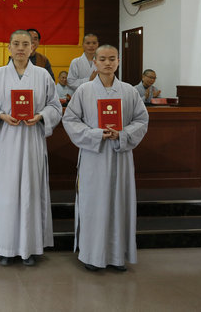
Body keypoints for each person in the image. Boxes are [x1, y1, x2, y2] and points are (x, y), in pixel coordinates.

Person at [62, 45, 149, 272]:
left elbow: (141, 120)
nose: (107, 63)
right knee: (94, 204)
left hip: (121, 155)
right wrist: (95, 134)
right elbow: (70, 120)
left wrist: (123, 134)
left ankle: (117, 256)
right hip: (94, 155)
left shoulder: (129, 91)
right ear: (95, 63)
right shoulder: (84, 91)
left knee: (119, 202)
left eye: (112, 59)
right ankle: (92, 255)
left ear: (118, 61)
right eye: (102, 59)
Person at [0, 30, 62, 267]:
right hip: (6, 141)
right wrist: (1, 116)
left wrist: (40, 116)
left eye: (25, 44)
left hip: (31, 141)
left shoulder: (42, 75)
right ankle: (6, 248)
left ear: (32, 48)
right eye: (16, 43)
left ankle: (30, 248)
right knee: (5, 195)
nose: (20, 48)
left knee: (30, 192)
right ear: (8, 47)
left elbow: (55, 107)